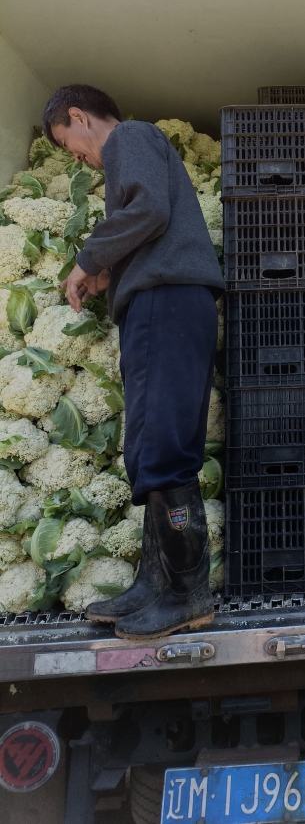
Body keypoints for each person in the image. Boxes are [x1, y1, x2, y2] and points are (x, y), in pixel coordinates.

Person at [42, 84, 224, 640]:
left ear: (79, 116)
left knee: (161, 449)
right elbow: (149, 220)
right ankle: (155, 585)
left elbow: (147, 207)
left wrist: (88, 259)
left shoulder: (130, 137)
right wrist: (109, 270)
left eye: (71, 144)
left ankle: (188, 594)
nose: (79, 157)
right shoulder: (135, 151)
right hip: (171, 303)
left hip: (165, 304)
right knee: (158, 449)